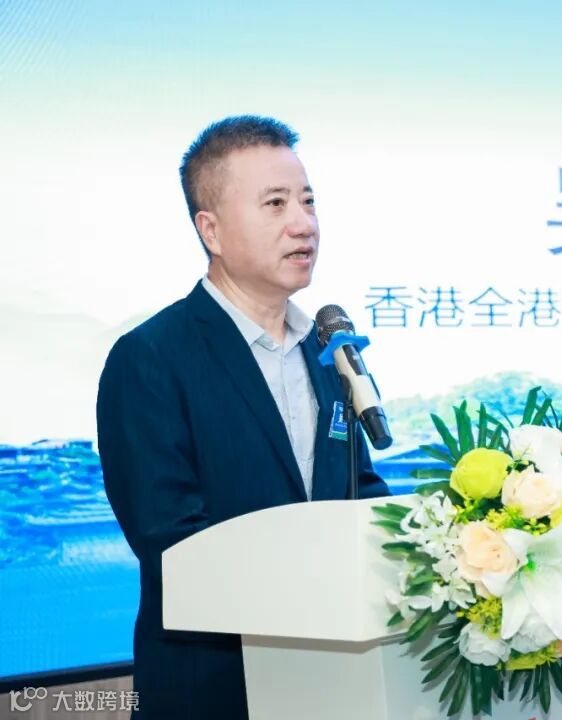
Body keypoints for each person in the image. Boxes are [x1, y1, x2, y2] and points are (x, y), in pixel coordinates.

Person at [96, 115, 390, 719]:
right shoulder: (150, 358)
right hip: (215, 690)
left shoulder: (327, 351)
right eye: (275, 203)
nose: (303, 223)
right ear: (212, 230)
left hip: (336, 684)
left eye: (308, 200)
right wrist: (316, 593)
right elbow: (170, 540)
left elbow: (358, 493)